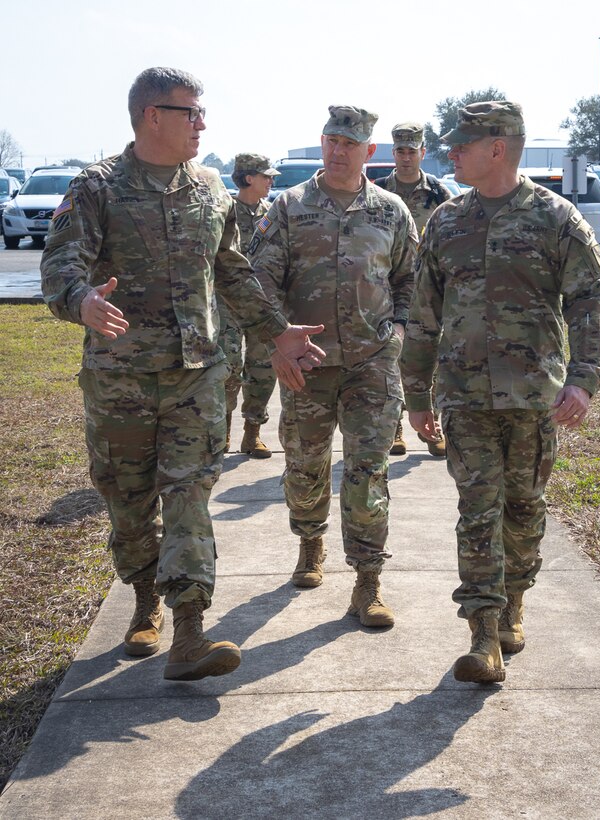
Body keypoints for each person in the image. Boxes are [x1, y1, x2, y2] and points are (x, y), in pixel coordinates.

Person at [40, 67, 325, 682]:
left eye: (202, 111)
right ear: (151, 116)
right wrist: (82, 301)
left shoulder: (210, 190)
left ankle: (190, 629)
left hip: (198, 375)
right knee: (129, 501)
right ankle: (145, 598)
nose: (202, 123)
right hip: (121, 378)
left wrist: (277, 330)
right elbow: (59, 267)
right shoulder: (97, 188)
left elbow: (231, 271)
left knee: (191, 492)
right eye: (190, 112)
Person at [400, 101, 600, 683]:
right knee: (477, 510)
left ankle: (515, 602)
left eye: (461, 144)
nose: (451, 154)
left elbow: (588, 304)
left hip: (533, 399)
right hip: (464, 397)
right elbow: (423, 316)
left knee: (523, 511)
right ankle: (483, 633)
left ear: (497, 148)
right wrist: (416, 396)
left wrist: (584, 380)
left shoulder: (557, 219)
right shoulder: (445, 222)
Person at [248, 105, 418, 627]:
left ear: (370, 152)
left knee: (368, 475)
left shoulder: (392, 212)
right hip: (308, 366)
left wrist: (400, 332)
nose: (338, 151)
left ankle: (368, 583)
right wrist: (278, 347)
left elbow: (413, 282)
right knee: (305, 467)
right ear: (322, 143)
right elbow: (258, 284)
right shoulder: (289, 208)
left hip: (371, 367)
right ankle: (309, 542)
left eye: (350, 144)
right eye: (331, 141)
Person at [373, 122, 452, 458]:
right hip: (386, 292)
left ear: (422, 153)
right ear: (394, 154)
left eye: (412, 151)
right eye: (400, 151)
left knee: (428, 358)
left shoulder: (439, 194)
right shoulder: (375, 191)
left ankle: (431, 428)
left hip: (428, 292)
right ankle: (395, 429)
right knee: (388, 360)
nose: (406, 158)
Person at [218, 152, 280, 458]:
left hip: (261, 304)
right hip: (227, 305)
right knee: (229, 367)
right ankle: (223, 432)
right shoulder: (225, 210)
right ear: (248, 178)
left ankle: (253, 432)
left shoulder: (272, 214)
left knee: (263, 368)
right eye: (266, 176)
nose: (271, 182)